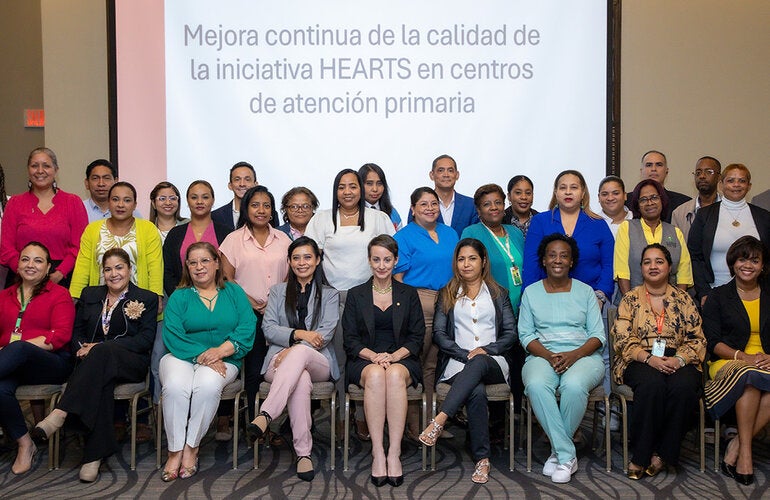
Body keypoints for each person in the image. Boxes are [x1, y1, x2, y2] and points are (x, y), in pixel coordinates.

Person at [31, 248, 158, 482]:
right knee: (102, 381)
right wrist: (82, 347)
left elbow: (144, 340)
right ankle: (93, 458)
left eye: (119, 267)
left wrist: (98, 347)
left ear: (130, 270)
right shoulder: (89, 295)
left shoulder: (146, 298)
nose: (113, 274)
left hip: (130, 363)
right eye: (108, 269)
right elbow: (76, 332)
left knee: (103, 351)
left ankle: (60, 413)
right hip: (92, 364)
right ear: (102, 273)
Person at [418, 238, 517, 484]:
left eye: (472, 258)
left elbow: (510, 334)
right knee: (476, 392)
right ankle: (483, 460)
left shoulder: (498, 293)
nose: (466, 264)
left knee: (480, 362)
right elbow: (440, 334)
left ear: (483, 261)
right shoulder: (447, 293)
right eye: (461, 259)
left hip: (493, 362)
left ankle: (440, 419)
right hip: (457, 363)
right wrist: (465, 354)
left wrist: (486, 350)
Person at [304, 169, 395, 433]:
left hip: (371, 298)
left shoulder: (378, 218)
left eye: (353, 186)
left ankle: (363, 416)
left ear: (361, 189)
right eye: (341, 187)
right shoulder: (322, 220)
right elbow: (309, 257)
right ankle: (340, 416)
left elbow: (390, 254)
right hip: (333, 298)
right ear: (335, 191)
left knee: (367, 356)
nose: (347, 192)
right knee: (339, 358)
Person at [245, 236, 339, 481]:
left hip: (318, 360)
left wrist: (293, 347)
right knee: (301, 379)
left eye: (308, 257)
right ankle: (304, 453)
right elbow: (268, 328)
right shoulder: (277, 292)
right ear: (289, 261)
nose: (301, 262)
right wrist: (298, 334)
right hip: (278, 362)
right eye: (296, 257)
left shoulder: (330, 294)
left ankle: (265, 414)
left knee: (300, 358)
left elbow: (325, 335)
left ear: (318, 260)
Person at [159, 242, 255, 481]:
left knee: (207, 386)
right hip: (181, 356)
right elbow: (172, 334)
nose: (199, 267)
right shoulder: (180, 296)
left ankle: (191, 447)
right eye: (193, 262)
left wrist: (220, 351)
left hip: (225, 358)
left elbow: (247, 326)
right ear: (187, 267)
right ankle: (174, 451)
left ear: (216, 263)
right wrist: (205, 355)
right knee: (174, 387)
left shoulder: (233, 291)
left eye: (204, 261)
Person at [611, 243, 705, 479]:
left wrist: (680, 359)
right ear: (641, 268)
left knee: (683, 387)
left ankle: (664, 453)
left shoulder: (683, 299)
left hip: (680, 358)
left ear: (669, 267)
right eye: (647, 262)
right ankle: (641, 455)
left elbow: (697, 339)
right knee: (652, 385)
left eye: (659, 261)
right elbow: (622, 338)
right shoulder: (630, 299)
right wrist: (649, 359)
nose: (653, 266)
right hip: (639, 358)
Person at [518, 234, 606, 484]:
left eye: (564, 255)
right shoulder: (531, 293)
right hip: (541, 355)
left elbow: (598, 335)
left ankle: (559, 453)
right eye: (552, 255)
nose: (558, 260)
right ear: (544, 260)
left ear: (571, 261)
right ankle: (567, 454)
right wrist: (548, 355)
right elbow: (525, 334)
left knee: (574, 386)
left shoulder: (586, 292)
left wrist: (573, 355)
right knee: (535, 385)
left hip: (584, 356)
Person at [342, 235, 424, 487]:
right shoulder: (356, 294)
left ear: (396, 260)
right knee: (377, 374)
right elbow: (350, 339)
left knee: (395, 374)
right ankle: (378, 451)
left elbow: (417, 336)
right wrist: (374, 356)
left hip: (402, 358)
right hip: (365, 358)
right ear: (369, 261)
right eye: (376, 259)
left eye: (387, 260)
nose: (381, 265)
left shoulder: (409, 293)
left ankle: (394, 452)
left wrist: (394, 356)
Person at [0, 242, 75, 475]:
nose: (30, 265)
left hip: (50, 362)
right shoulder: (4, 296)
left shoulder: (60, 294)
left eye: (38, 260)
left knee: (19, 348)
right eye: (25, 259)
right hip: (8, 365)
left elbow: (59, 336)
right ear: (18, 264)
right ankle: (25, 443)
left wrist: (16, 347)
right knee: (0, 387)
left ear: (48, 267)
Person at [703, 236, 770, 486]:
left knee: (763, 382)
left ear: (763, 265)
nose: (748, 265)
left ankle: (737, 445)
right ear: (733, 263)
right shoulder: (718, 296)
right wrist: (744, 357)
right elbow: (713, 342)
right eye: (743, 259)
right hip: (729, 360)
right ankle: (746, 457)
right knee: (750, 377)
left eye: (755, 260)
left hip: (766, 361)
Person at [219, 185, 291, 418]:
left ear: (272, 211)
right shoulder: (233, 239)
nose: (261, 210)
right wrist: (248, 300)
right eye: (255, 204)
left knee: (280, 368)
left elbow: (291, 276)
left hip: (279, 314)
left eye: (266, 205)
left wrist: (275, 303)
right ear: (246, 208)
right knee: (253, 370)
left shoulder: (283, 239)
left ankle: (278, 423)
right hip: (246, 314)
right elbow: (226, 278)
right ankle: (254, 421)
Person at [393, 187, 458, 436]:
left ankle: (432, 422)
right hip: (419, 302)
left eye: (434, 203)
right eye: (423, 204)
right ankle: (412, 422)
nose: (430, 208)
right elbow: (397, 278)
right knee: (415, 362)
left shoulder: (450, 233)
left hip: (448, 302)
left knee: (434, 364)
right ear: (412, 209)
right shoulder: (405, 236)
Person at [523, 170, 615, 304]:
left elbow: (608, 265)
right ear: (556, 192)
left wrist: (600, 296)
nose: (568, 192)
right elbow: (531, 264)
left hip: (590, 301)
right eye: (562, 188)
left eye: (574, 187)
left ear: (583, 193)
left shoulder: (598, 224)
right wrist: (529, 299)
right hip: (546, 299)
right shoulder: (540, 222)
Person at [0, 147, 88, 287]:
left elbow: (80, 246)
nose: (40, 171)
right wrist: (25, 271)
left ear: (56, 170)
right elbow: (6, 247)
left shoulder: (72, 202)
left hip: (61, 279)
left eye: (46, 166)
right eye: (34, 166)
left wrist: (59, 273)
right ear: (28, 170)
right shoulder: (15, 203)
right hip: (21, 278)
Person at [69, 182, 164, 304]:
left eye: (127, 200)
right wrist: (75, 295)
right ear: (108, 202)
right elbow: (83, 266)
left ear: (135, 205)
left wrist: (156, 297)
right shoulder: (92, 230)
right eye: (115, 199)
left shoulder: (148, 229)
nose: (120, 205)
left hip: (138, 303)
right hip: (99, 302)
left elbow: (155, 266)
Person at [688, 163, 770, 304]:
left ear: (749, 186)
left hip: (756, 295)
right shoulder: (704, 215)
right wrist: (704, 292)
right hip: (714, 293)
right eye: (731, 180)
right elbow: (694, 256)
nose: (736, 185)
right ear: (721, 184)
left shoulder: (763, 217)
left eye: (742, 181)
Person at [614, 179, 693, 295]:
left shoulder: (675, 232)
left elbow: (684, 274)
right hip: (634, 302)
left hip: (669, 304)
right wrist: (630, 304)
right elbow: (622, 272)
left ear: (662, 200)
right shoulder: (627, 228)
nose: (650, 203)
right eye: (643, 200)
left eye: (654, 197)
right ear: (637, 205)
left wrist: (677, 305)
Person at [462, 184, 526, 314]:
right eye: (487, 204)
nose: (494, 207)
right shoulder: (471, 233)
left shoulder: (515, 232)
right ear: (479, 210)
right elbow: (465, 271)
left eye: (498, 202)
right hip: (489, 308)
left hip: (522, 306)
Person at [163, 180, 231, 297]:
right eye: (194, 197)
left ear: (213, 200)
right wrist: (179, 298)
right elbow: (167, 272)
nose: (199, 202)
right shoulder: (175, 234)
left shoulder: (226, 233)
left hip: (220, 299)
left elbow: (230, 273)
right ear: (187, 201)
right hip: (183, 301)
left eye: (205, 197)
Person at [407, 154, 479, 237]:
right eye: (441, 170)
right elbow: (412, 234)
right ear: (432, 175)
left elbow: (476, 237)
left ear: (457, 175)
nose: (446, 175)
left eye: (450, 170)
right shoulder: (420, 205)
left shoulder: (471, 205)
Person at [631, 150, 691, 222]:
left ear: (667, 171)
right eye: (649, 165)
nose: (653, 169)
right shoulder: (626, 201)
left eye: (659, 165)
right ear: (641, 171)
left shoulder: (683, 203)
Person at [671, 156, 721, 241]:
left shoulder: (729, 208)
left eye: (708, 172)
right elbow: (675, 247)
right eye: (698, 172)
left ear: (719, 177)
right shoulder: (679, 213)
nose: (702, 176)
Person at [211, 161, 259, 230]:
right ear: (230, 185)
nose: (242, 184)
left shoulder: (268, 214)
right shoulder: (216, 216)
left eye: (247, 179)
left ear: (255, 185)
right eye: (237, 179)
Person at [359, 163, 402, 230]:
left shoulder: (392, 213)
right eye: (369, 184)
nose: (375, 189)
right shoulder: (353, 212)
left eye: (379, 184)